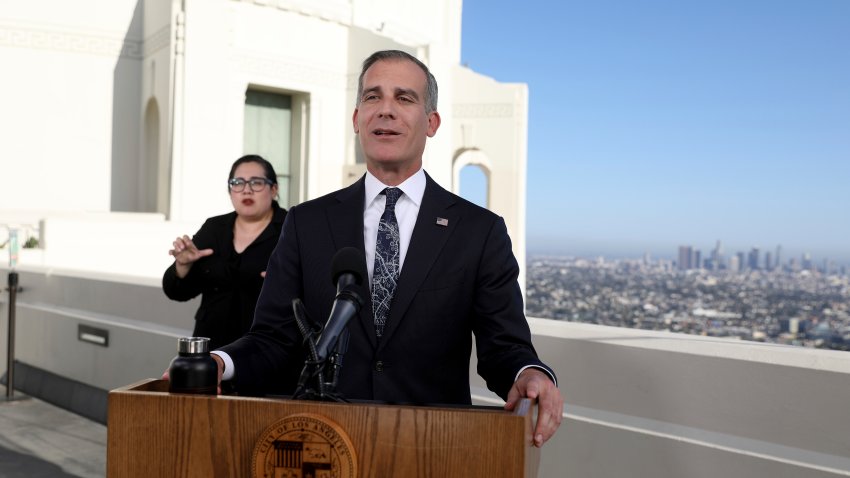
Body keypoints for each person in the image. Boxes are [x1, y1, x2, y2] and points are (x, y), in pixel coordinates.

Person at [210, 50, 563, 446]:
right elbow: (272, 339)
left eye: (405, 98)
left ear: (431, 123)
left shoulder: (479, 232)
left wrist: (531, 374)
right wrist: (218, 364)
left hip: (433, 449)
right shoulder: (306, 223)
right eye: (373, 97)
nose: (386, 110)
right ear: (357, 118)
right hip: (323, 447)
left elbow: (504, 348)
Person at [162, 154, 286, 350]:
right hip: (211, 347)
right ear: (230, 191)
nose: (246, 190)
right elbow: (175, 292)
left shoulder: (290, 230)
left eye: (256, 182)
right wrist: (183, 265)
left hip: (265, 350)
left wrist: (288, 284)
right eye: (238, 183)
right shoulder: (214, 228)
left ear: (274, 189)